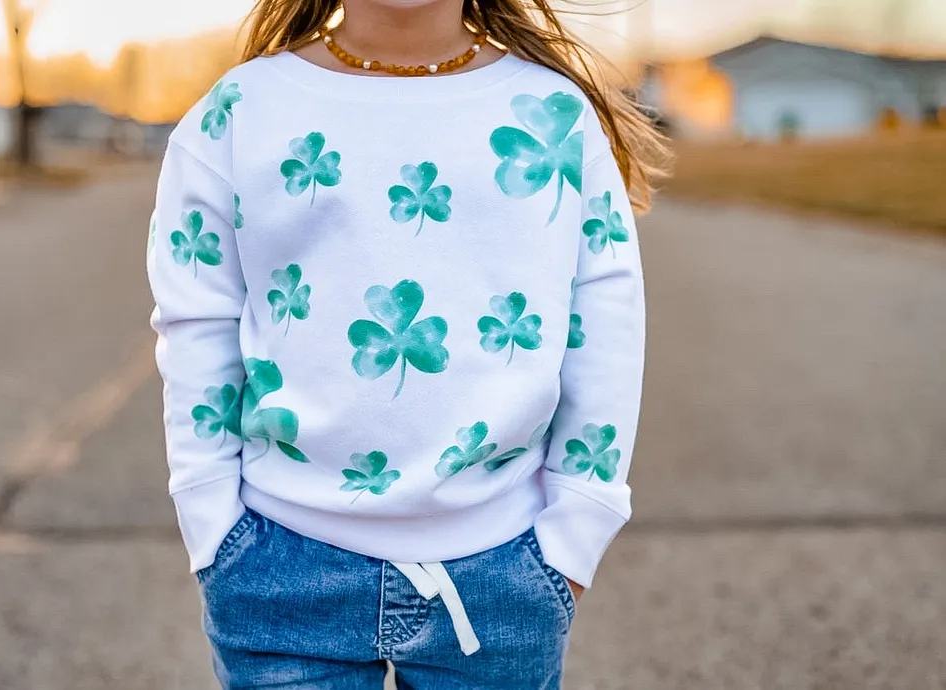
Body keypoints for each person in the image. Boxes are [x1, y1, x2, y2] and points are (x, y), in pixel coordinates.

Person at [146, 0, 666, 687]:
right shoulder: (241, 111)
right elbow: (197, 318)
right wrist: (211, 522)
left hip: (503, 567)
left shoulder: (552, 113)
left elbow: (604, 323)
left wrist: (575, 532)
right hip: (276, 561)